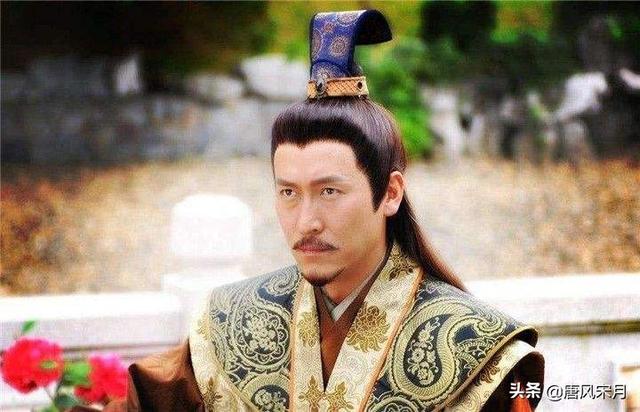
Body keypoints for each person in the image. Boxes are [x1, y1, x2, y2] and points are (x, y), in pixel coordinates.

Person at [89, 9, 544, 412]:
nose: (305, 222)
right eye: (289, 192)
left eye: (329, 191)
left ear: (390, 193)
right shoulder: (232, 321)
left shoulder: (473, 349)